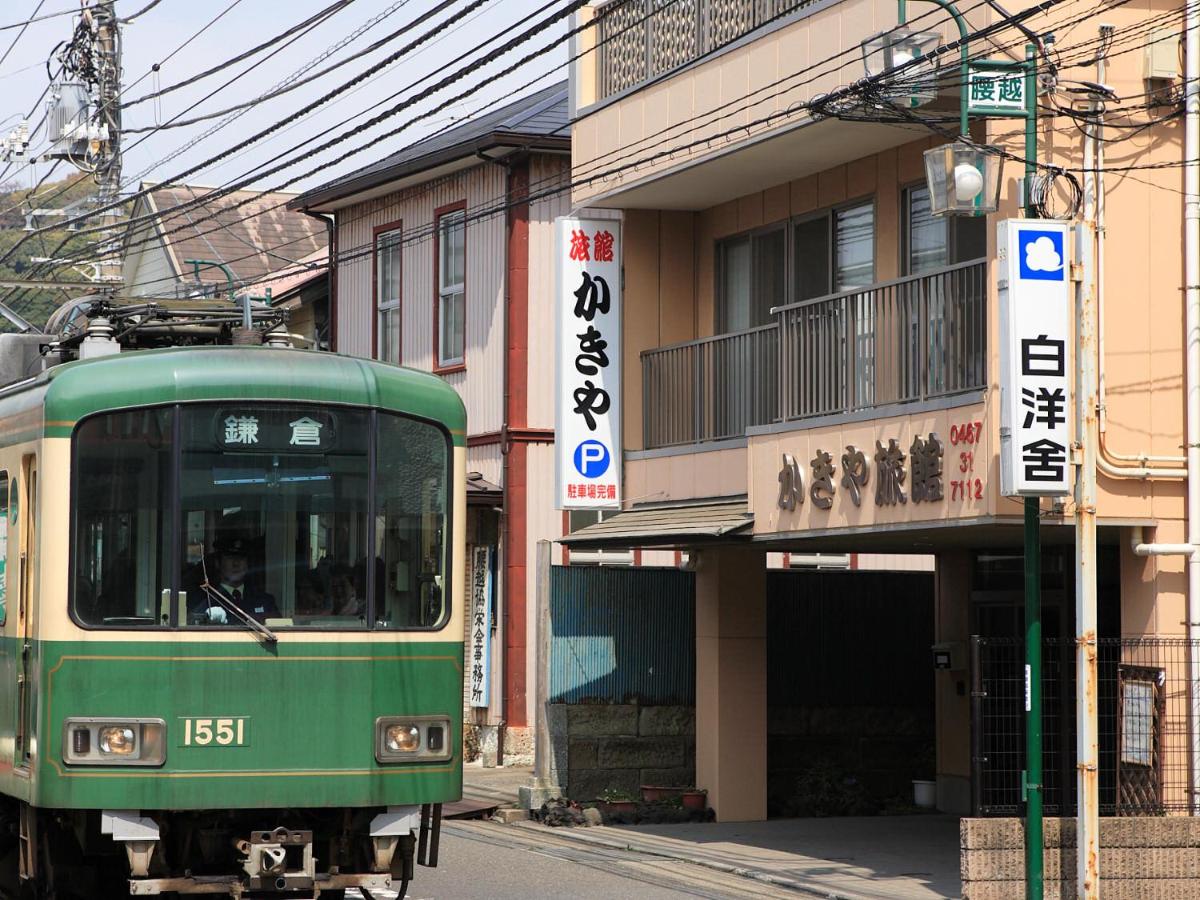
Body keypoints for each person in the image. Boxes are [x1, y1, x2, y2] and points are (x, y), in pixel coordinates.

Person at [192, 534, 279, 624]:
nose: (236, 564)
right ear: (218, 563)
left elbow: (279, 630)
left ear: (247, 564)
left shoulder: (265, 600)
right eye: (230, 558)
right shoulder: (205, 599)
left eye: (241, 558)